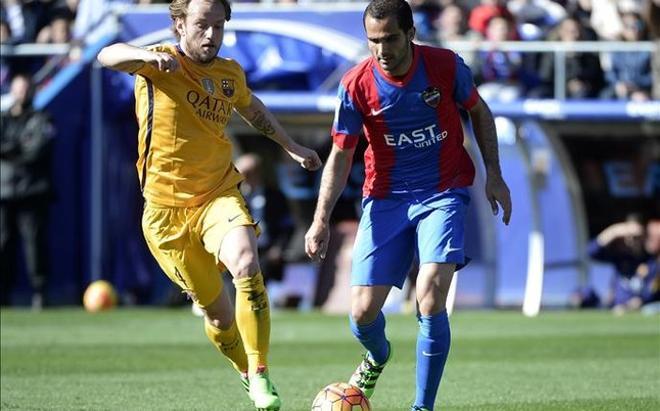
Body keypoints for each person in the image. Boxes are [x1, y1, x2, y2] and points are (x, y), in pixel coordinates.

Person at [96, 0, 322, 409]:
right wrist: (144, 55)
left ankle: (259, 371)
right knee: (218, 317)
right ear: (179, 24)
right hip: (165, 215)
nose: (211, 35)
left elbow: (251, 107)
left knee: (246, 264)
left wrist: (290, 146)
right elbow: (105, 55)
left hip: (218, 193)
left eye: (219, 26)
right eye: (202, 25)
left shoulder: (228, 73)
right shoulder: (157, 62)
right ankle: (242, 369)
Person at [304, 1, 512, 410]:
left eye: (390, 38)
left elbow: (480, 112)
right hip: (385, 199)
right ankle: (378, 357)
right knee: (362, 313)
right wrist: (320, 219)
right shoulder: (355, 85)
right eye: (373, 41)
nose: (381, 49)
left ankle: (422, 406)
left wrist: (495, 174)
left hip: (444, 191)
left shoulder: (445, 66)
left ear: (411, 33)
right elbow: (341, 155)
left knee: (430, 293)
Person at [0, 72, 55, 310]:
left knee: (34, 245)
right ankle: (4, 294)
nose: (21, 93)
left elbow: (36, 150)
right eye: (18, 88)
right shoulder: (4, 119)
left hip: (32, 192)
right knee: (3, 244)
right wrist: (18, 147)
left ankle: (39, 293)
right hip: (4, 192)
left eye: (25, 88)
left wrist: (10, 150)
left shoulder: (42, 118)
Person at [588, 216, 659, 314]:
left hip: (639, 309)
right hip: (616, 308)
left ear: (644, 237)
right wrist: (614, 231)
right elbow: (591, 252)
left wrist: (638, 301)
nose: (632, 241)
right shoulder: (620, 257)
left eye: (636, 237)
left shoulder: (651, 261)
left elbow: (651, 291)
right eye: (628, 237)